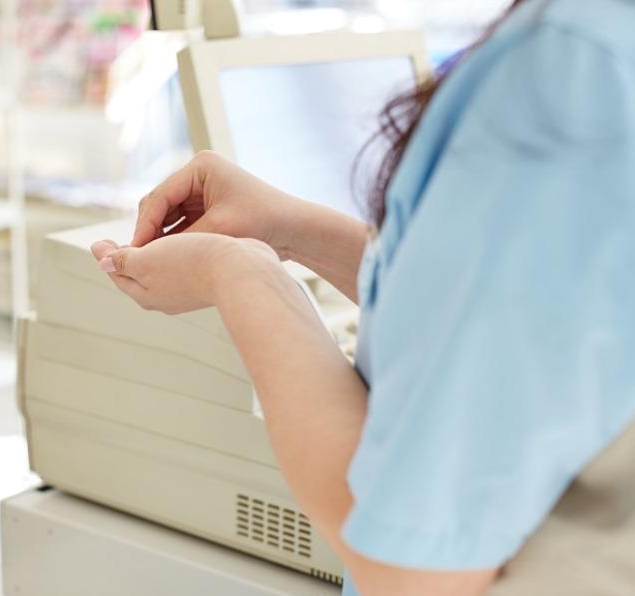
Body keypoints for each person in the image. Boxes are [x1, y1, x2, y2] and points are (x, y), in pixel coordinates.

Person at [92, 0, 635, 594]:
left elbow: (411, 571)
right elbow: (556, 310)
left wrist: (241, 274)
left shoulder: (567, 69)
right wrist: (292, 229)